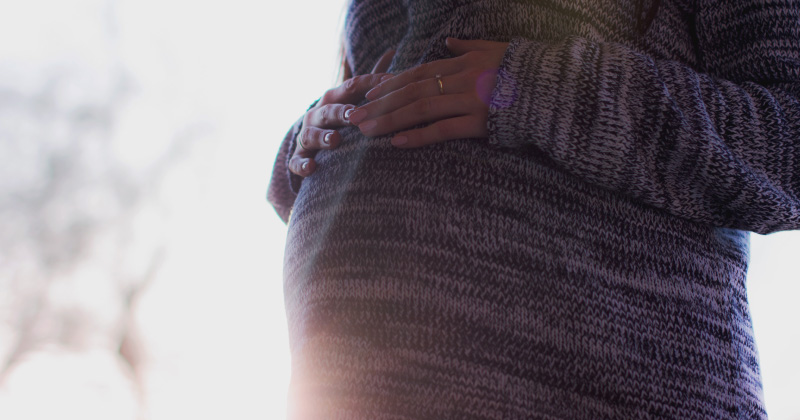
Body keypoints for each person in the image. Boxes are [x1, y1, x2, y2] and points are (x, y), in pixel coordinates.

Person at [268, 0, 800, 418]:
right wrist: (311, 136)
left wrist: (534, 89)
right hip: (354, 377)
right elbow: (396, 90)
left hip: (611, 378)